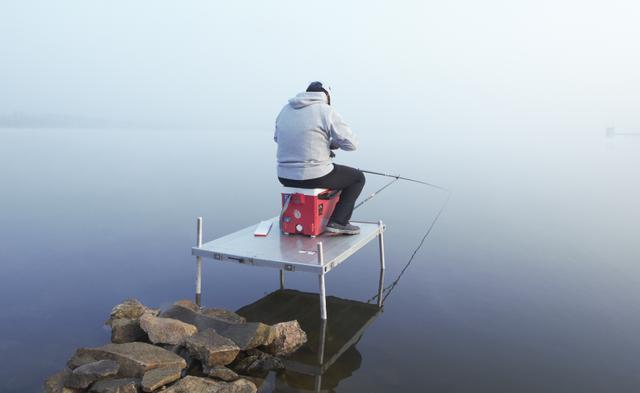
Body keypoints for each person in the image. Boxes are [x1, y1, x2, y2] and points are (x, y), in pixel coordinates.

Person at [274, 81, 365, 235]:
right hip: (314, 176)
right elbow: (352, 144)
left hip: (284, 176)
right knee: (357, 178)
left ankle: (316, 217)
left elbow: (278, 138)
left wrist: (322, 144)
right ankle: (338, 221)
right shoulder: (325, 110)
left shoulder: (285, 110)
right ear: (326, 96)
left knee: (334, 174)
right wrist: (333, 143)